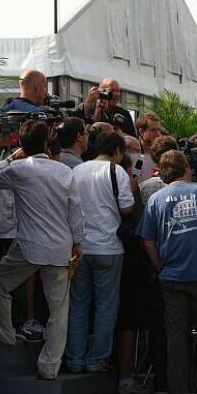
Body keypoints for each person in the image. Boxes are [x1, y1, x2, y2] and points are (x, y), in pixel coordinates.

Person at [0, 120, 83, 379]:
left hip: (28, 246)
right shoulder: (64, 172)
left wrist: (10, 158)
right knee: (58, 310)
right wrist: (78, 242)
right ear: (45, 144)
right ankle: (49, 367)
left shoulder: (18, 169)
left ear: (20, 144)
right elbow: (75, 211)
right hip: (60, 246)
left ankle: (5, 332)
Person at [138, 150, 197, 394]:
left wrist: (159, 266)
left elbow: (147, 240)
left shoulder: (156, 199)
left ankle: (177, 390)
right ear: (186, 168)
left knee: (176, 332)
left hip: (172, 275)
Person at [65, 132, 135, 373]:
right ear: (117, 150)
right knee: (106, 306)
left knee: (78, 304)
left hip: (80, 246)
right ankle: (97, 360)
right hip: (109, 247)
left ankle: (75, 358)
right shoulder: (117, 172)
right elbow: (126, 209)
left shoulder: (77, 171)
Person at [136, 114, 164, 183]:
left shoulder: (162, 152)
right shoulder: (135, 153)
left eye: (159, 130)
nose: (158, 134)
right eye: (153, 130)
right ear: (141, 132)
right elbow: (134, 178)